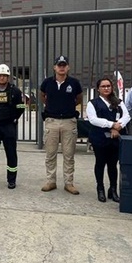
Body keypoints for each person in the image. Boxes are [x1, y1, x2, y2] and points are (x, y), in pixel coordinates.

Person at [40, 55, 84, 194]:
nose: (62, 67)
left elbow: (79, 98)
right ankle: (51, 181)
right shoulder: (47, 83)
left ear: (68, 67)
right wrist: (50, 105)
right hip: (51, 121)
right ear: (54, 67)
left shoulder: (74, 83)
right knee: (50, 154)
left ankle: (69, 183)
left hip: (68, 122)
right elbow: (42, 95)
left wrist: (68, 105)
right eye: (59, 65)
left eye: (64, 65)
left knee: (69, 155)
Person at [86, 77, 131, 203]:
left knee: (113, 165)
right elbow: (93, 119)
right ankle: (100, 188)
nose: (106, 88)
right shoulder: (92, 103)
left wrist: (118, 126)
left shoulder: (118, 102)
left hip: (115, 138)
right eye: (103, 86)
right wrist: (111, 125)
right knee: (100, 163)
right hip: (99, 138)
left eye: (108, 86)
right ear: (98, 89)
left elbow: (126, 116)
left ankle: (113, 190)